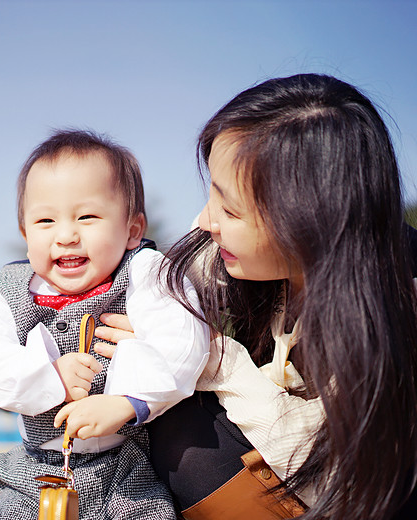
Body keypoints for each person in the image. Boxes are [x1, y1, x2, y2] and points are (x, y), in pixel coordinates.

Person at [96, 74, 417, 519]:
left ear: (308, 218)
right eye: (212, 191)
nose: (207, 221)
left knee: (188, 434)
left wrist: (212, 356)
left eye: (231, 210)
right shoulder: (232, 248)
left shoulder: (398, 310)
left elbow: (335, 480)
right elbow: (145, 290)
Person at [0, 129, 209, 520]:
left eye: (87, 217)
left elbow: (184, 339)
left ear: (132, 230)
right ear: (25, 234)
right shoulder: (5, 290)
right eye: (45, 220)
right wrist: (47, 376)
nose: (67, 235)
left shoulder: (145, 274)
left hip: (128, 468)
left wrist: (130, 401)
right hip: (36, 471)